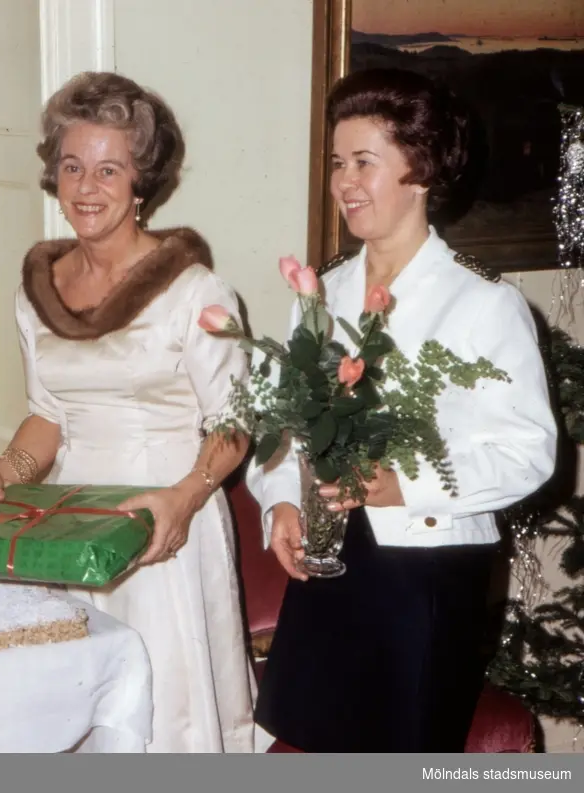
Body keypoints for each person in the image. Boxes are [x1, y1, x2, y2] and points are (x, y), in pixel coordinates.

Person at [247, 68, 559, 752]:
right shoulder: (321, 290)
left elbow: (528, 452)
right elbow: (276, 420)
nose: (343, 182)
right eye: (337, 162)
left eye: (364, 162)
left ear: (419, 171)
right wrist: (280, 502)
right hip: (327, 562)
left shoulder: (483, 303)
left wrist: (403, 482)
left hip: (424, 578)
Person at [0, 71, 258, 753]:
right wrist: (10, 468)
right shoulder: (36, 290)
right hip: (71, 524)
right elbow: (49, 411)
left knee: (167, 720)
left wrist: (184, 499)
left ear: (141, 182)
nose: (86, 187)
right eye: (72, 166)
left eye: (109, 169)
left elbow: (235, 423)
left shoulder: (195, 290)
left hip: (162, 523)